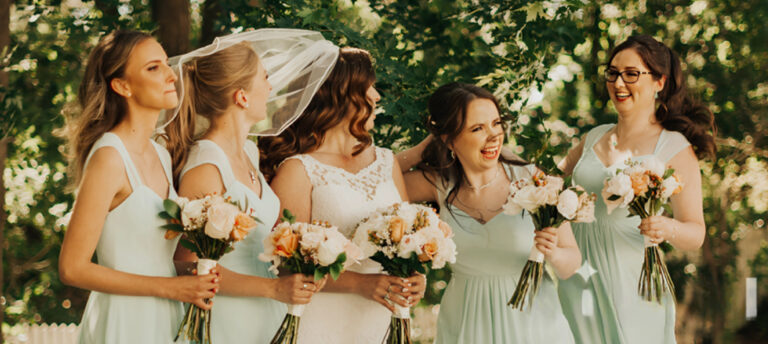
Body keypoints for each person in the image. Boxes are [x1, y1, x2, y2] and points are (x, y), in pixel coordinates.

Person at [164, 30, 336, 343]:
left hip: (265, 315)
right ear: (242, 96)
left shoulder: (249, 153)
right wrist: (273, 288)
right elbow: (187, 267)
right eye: (265, 77)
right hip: (225, 321)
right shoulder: (206, 165)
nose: (272, 86)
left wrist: (301, 266)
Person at [57, 30, 219, 343]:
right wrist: (170, 288)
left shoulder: (159, 151)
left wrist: (196, 276)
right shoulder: (109, 157)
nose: (170, 74)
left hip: (165, 316)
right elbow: (72, 268)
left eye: (166, 64)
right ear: (122, 86)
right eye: (153, 67)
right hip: (124, 320)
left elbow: (154, 252)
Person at [261, 47, 427, 344]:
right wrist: (359, 284)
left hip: (381, 320)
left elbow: (409, 241)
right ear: (338, 96)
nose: (376, 96)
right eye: (367, 88)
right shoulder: (298, 170)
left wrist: (417, 278)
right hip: (321, 323)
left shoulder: (387, 163)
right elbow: (286, 266)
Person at [556, 34, 713, 343]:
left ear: (659, 82)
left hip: (632, 285)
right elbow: (549, 188)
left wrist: (665, 226)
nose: (618, 83)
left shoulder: (674, 147)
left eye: (631, 74)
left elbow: (696, 233)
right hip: (578, 278)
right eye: (612, 73)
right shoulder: (593, 137)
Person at [396, 82, 578, 343]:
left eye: (496, 123)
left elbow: (571, 264)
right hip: (466, 324)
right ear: (449, 138)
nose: (494, 136)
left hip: (533, 326)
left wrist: (554, 253)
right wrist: (426, 145)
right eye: (477, 128)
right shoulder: (438, 184)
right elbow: (379, 176)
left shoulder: (533, 180)